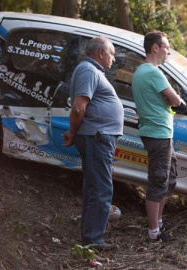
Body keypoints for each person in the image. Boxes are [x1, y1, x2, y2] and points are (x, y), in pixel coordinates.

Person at [62, 36, 123, 250]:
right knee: (100, 188)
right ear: (101, 52)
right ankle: (93, 239)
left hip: (97, 136)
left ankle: (90, 237)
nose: (113, 59)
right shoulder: (88, 70)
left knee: (94, 187)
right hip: (96, 137)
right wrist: (72, 131)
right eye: (112, 53)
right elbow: (79, 107)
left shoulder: (91, 70)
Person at [132, 31, 182, 242]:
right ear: (155, 47)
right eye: (167, 47)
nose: (168, 51)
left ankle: (158, 224)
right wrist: (171, 99)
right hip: (158, 133)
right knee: (158, 180)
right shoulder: (153, 72)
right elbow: (176, 100)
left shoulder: (141, 71)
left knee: (166, 178)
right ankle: (153, 232)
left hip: (158, 132)